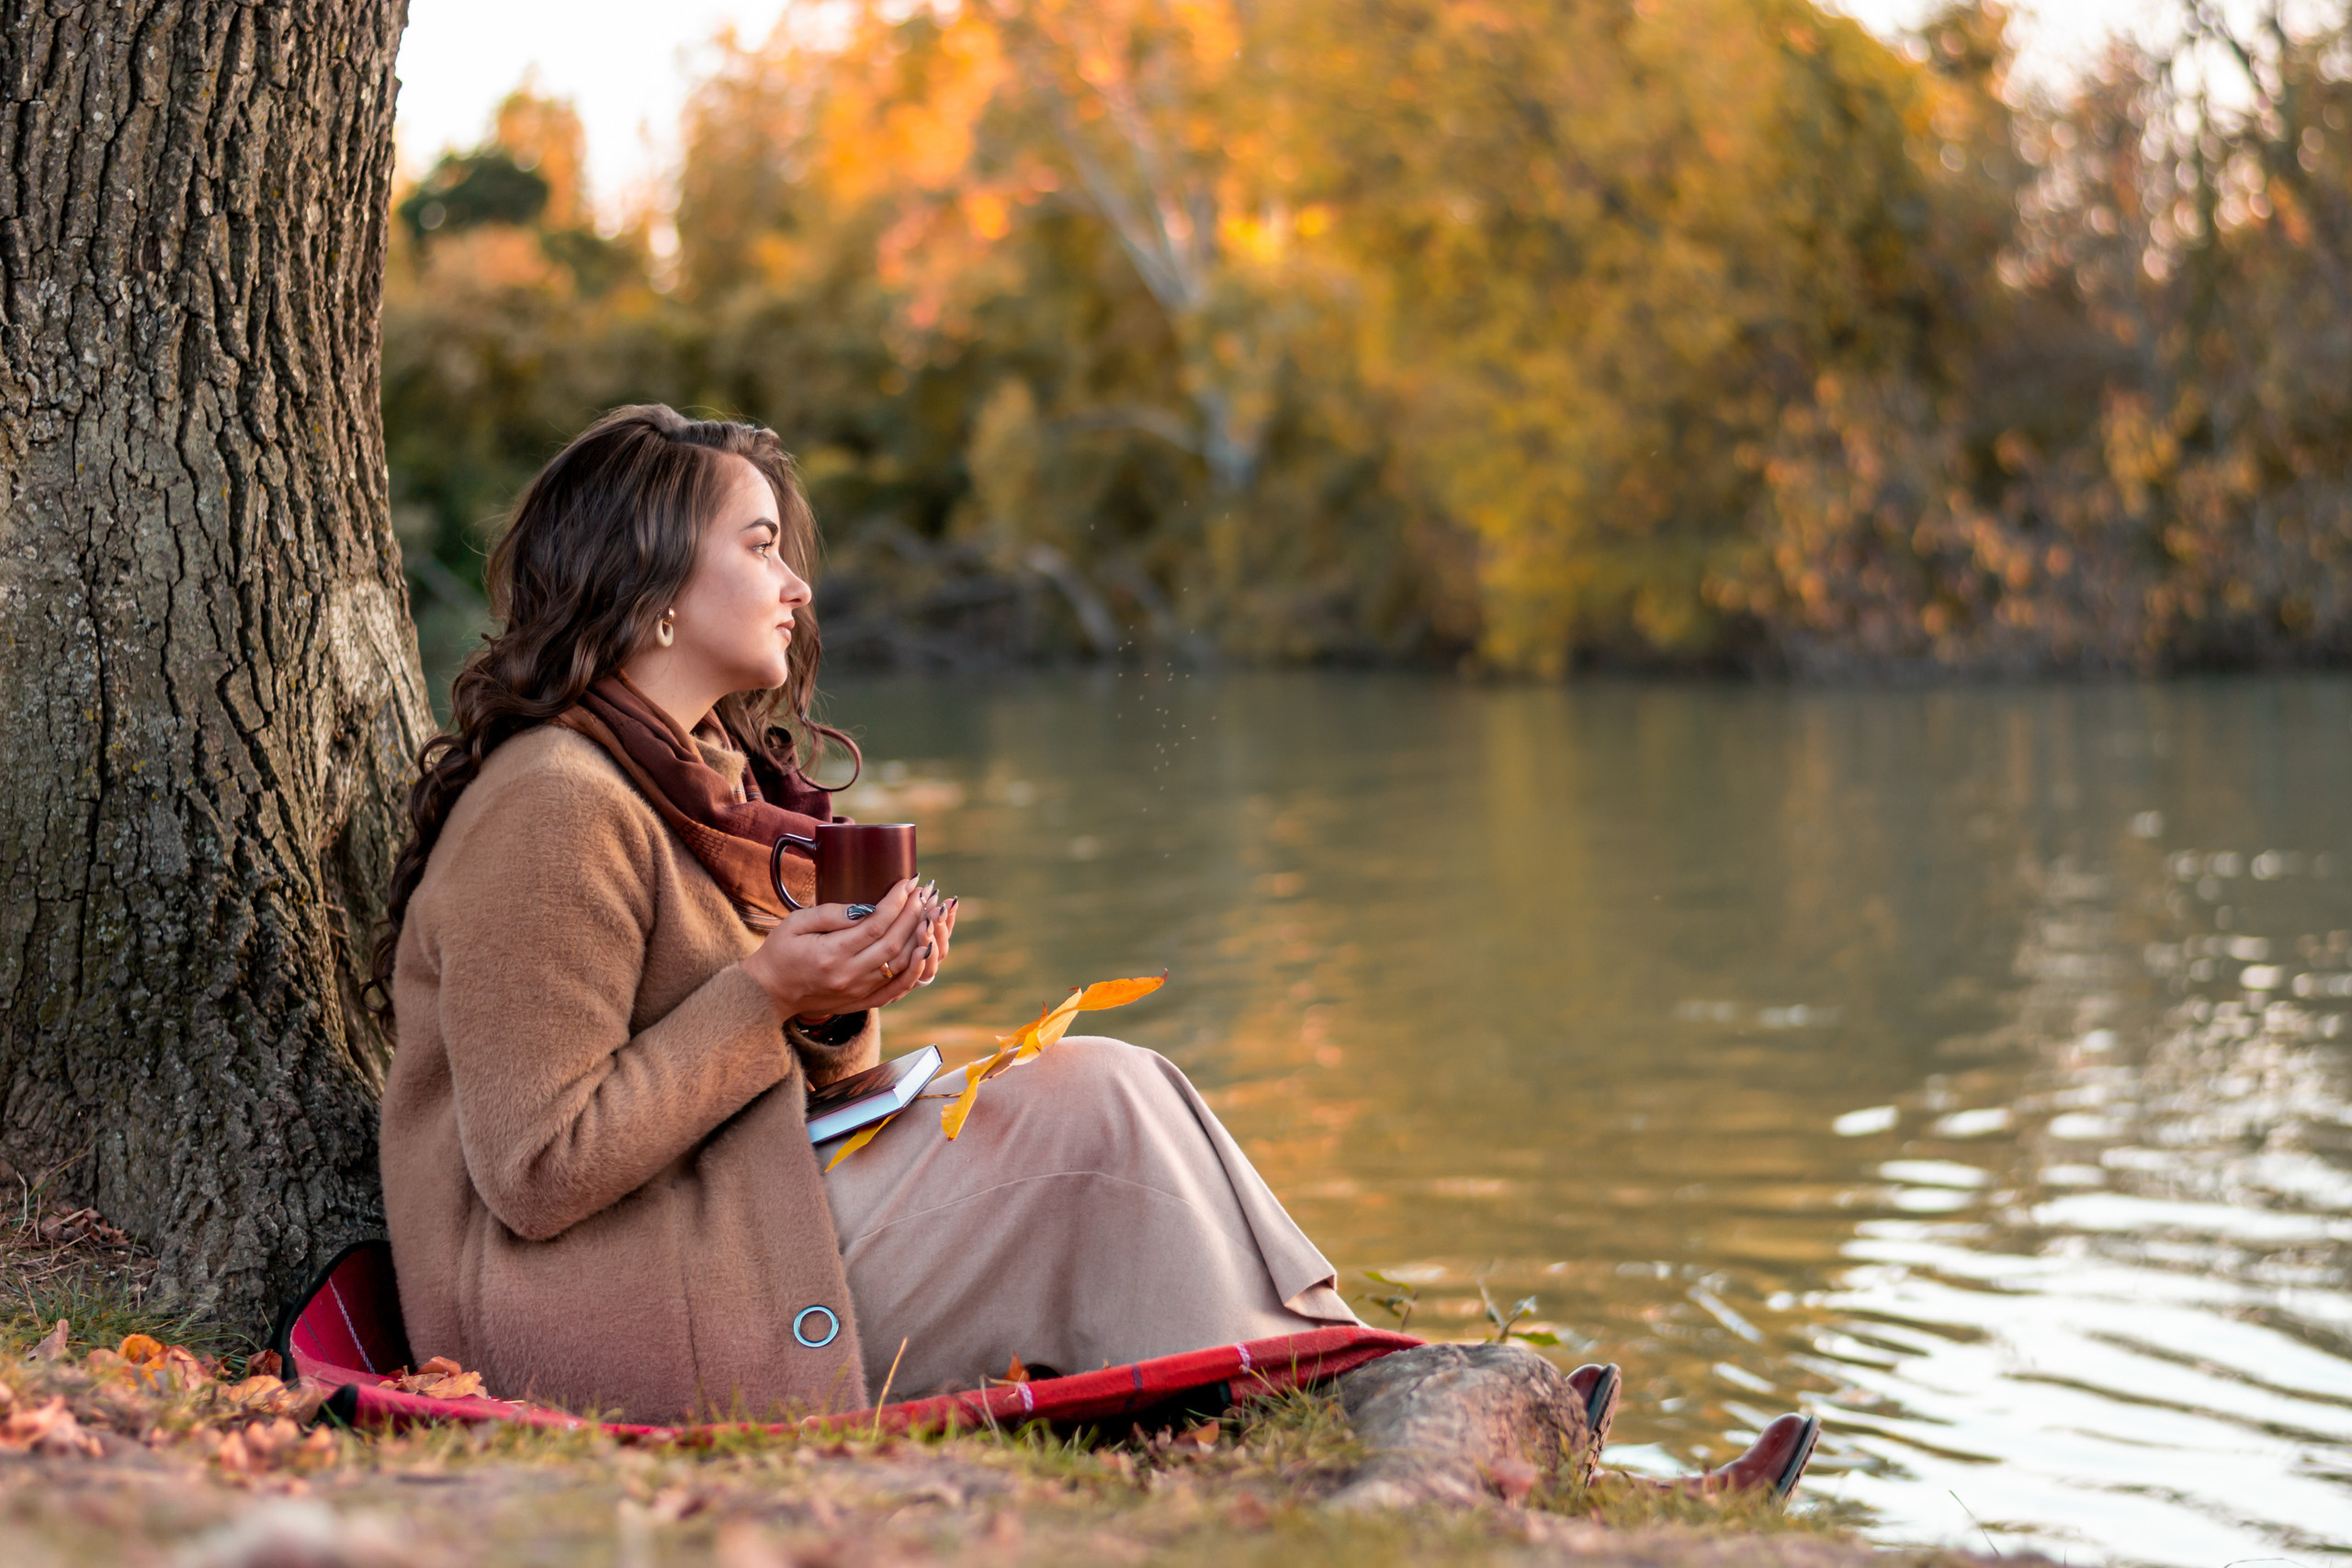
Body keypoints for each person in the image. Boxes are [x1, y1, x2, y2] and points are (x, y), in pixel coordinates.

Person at [368, 403, 1816, 1500]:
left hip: (729, 1213)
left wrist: (840, 1005)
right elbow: (538, 1168)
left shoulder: (695, 780)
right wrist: (767, 993)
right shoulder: (555, 804)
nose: (795, 582)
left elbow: (755, 1073)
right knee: (1101, 1123)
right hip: (610, 1299)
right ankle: (1398, 1431)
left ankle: (1400, 1411)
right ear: (651, 589)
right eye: (758, 547)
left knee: (1111, 1083)